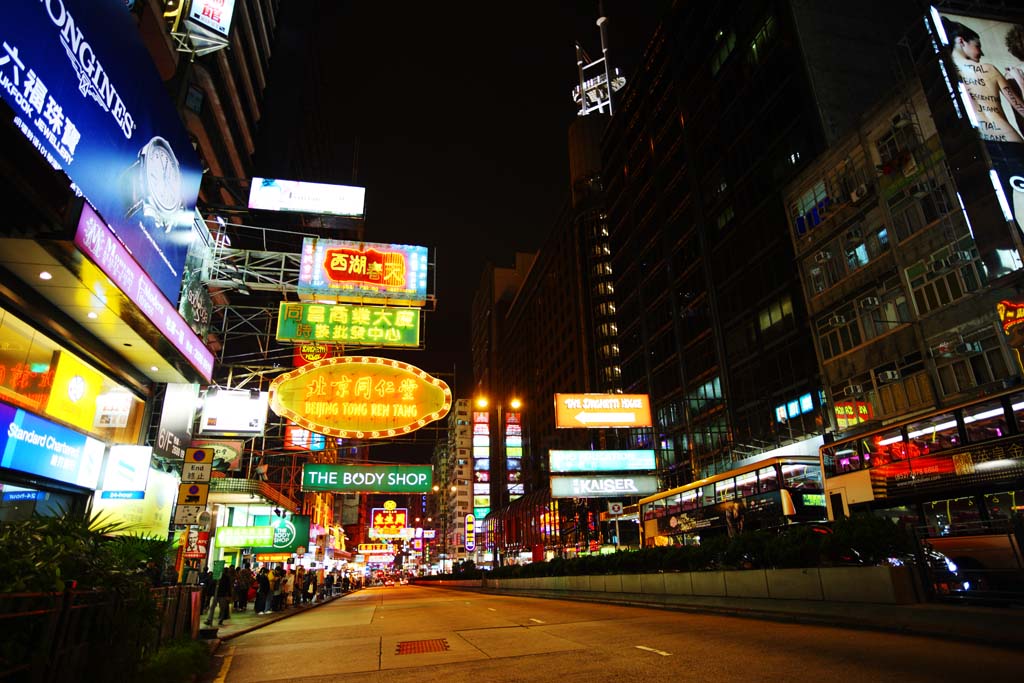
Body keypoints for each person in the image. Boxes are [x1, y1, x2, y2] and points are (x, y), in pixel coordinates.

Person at [944, 18, 1024, 143]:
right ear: (961, 41)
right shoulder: (989, 69)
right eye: (977, 46)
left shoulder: (948, 79)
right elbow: (1021, 110)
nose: (981, 52)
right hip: (1010, 138)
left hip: (984, 147)